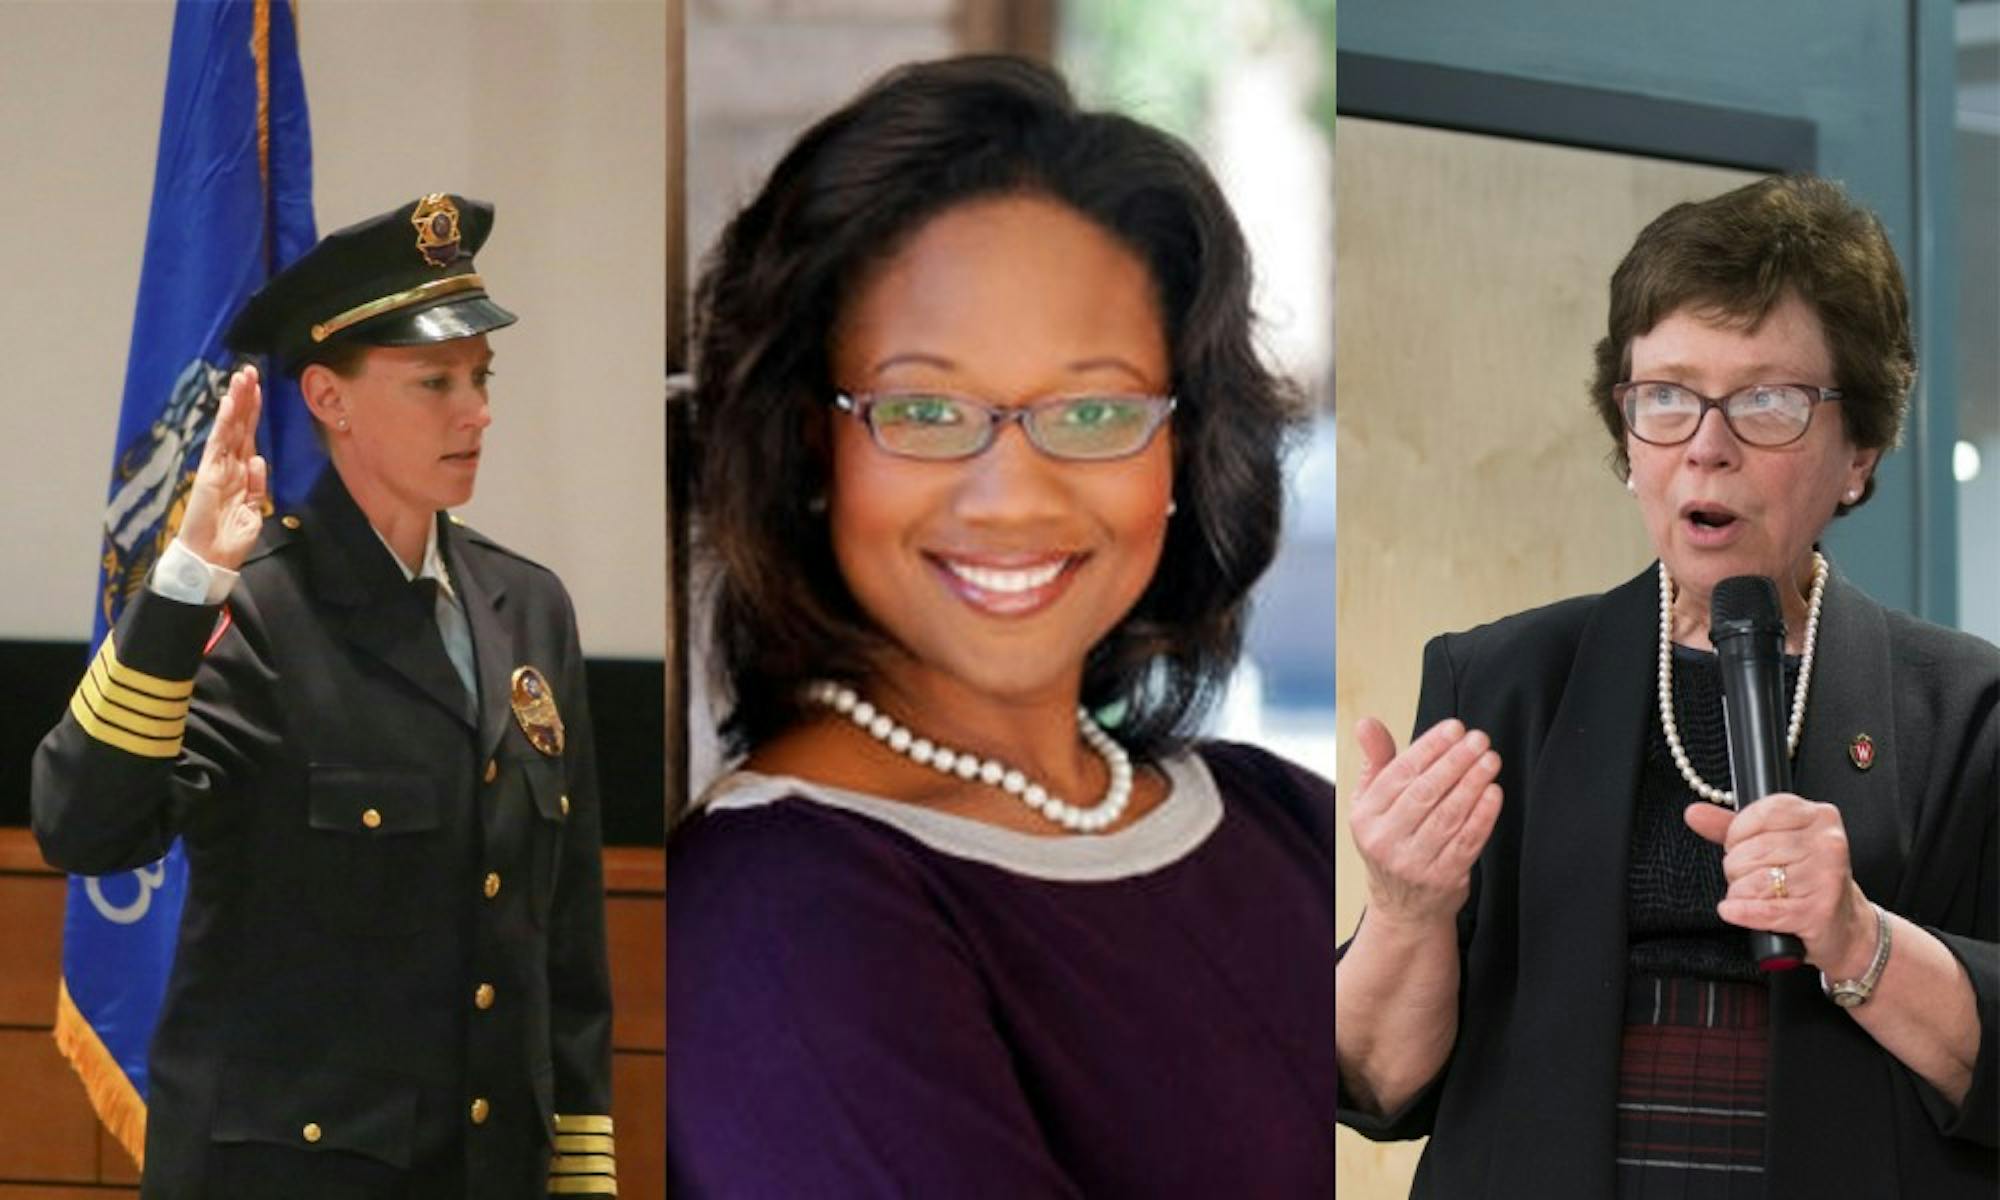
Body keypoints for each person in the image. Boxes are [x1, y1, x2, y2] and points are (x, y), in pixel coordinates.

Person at [665, 56, 1335, 1196]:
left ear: (1182, 447)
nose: (1013, 495)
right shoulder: (778, 914)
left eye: (1092, 409)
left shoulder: (1285, 822)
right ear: (811, 449)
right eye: (923, 409)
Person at [1334, 174, 1998, 1196]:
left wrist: (1856, 941)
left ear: (1856, 451)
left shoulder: (1964, 711)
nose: (1705, 445)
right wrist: (1405, 909)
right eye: (1666, 396)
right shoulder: (1500, 680)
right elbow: (1376, 1084)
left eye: (1766, 401)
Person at [32, 195, 616, 1199]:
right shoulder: (253, 610)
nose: (475, 411)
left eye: (481, 377)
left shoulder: (529, 610)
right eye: (434, 381)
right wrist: (181, 589)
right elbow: (85, 827)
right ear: (328, 399)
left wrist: (577, 1172)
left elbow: (560, 940)